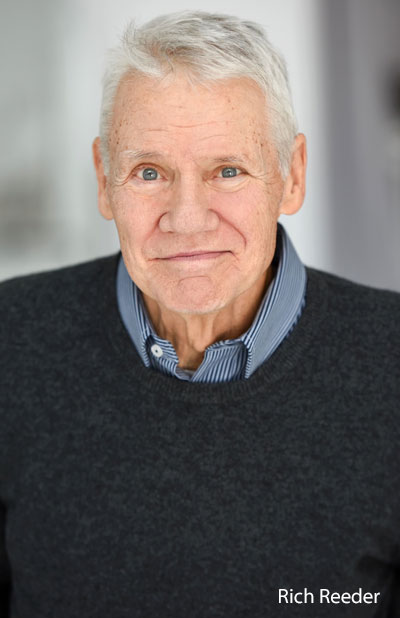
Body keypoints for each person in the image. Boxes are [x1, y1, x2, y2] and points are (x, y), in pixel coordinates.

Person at [0, 10, 399, 618]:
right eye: (149, 172)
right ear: (105, 180)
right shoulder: (11, 341)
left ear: (291, 176)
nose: (187, 218)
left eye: (228, 171)